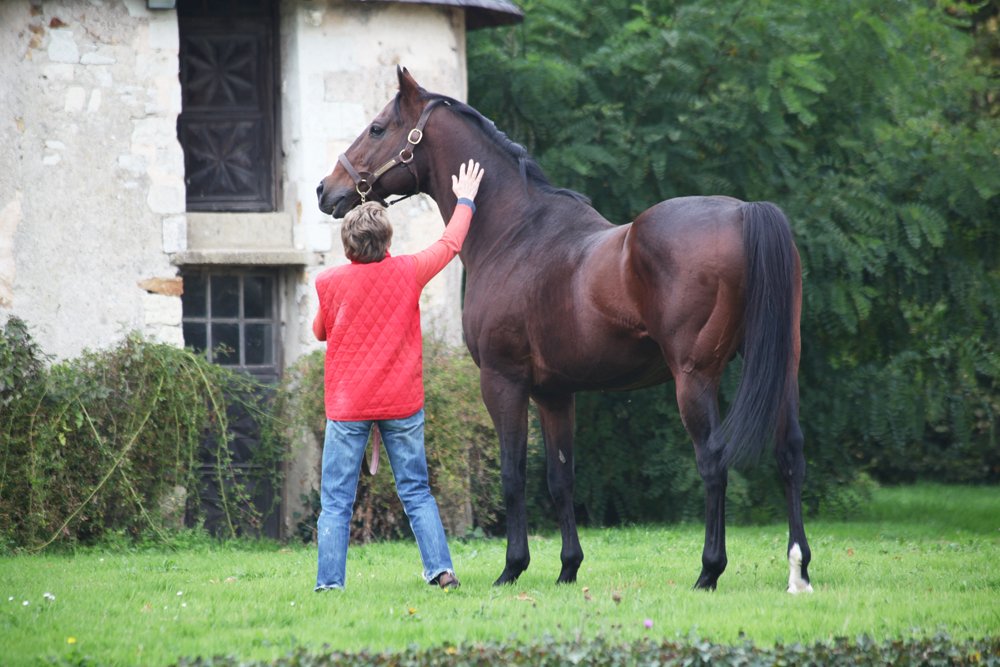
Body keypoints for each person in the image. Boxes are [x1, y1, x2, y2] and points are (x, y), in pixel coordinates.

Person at [312, 159, 485, 591]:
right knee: (416, 491)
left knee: (335, 502)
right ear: (387, 240)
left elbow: (320, 332)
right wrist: (465, 199)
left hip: (348, 406)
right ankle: (441, 571)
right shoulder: (409, 270)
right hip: (401, 402)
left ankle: (329, 584)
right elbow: (450, 243)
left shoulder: (329, 283)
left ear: (347, 245)